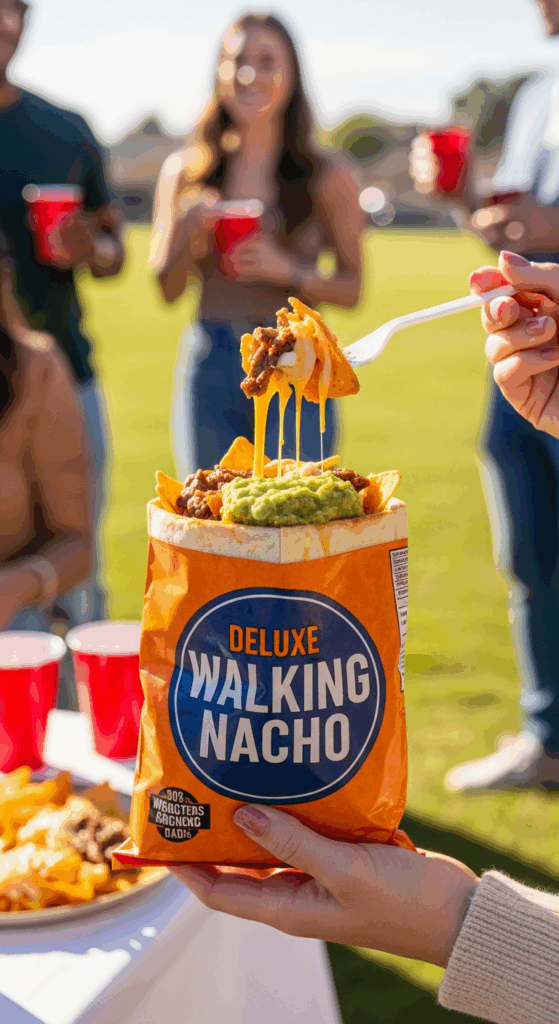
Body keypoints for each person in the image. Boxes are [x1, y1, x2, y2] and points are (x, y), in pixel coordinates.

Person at [410, 0, 559, 792]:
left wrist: (549, 219)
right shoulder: (536, 91)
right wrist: (461, 197)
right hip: (528, 345)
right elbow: (511, 236)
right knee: (529, 549)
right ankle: (548, 736)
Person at [149, 11, 364, 478]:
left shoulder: (328, 176)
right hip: (211, 361)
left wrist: (285, 269)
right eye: (236, 60)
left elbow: (353, 289)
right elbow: (166, 290)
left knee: (295, 512)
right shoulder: (185, 172)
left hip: (298, 364)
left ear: (292, 75)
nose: (248, 74)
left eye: (267, 61)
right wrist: (187, 232)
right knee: (211, 511)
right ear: (219, 72)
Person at [0, 0, 124, 630]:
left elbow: (114, 249)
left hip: (62, 378)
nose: (6, 23)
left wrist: (89, 247)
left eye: (16, 9)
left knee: (73, 589)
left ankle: (77, 693)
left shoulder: (66, 131)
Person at [0, 233, 94, 631]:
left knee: (27, 628)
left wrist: (17, 586)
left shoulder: (35, 369)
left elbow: (78, 547)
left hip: (12, 623)